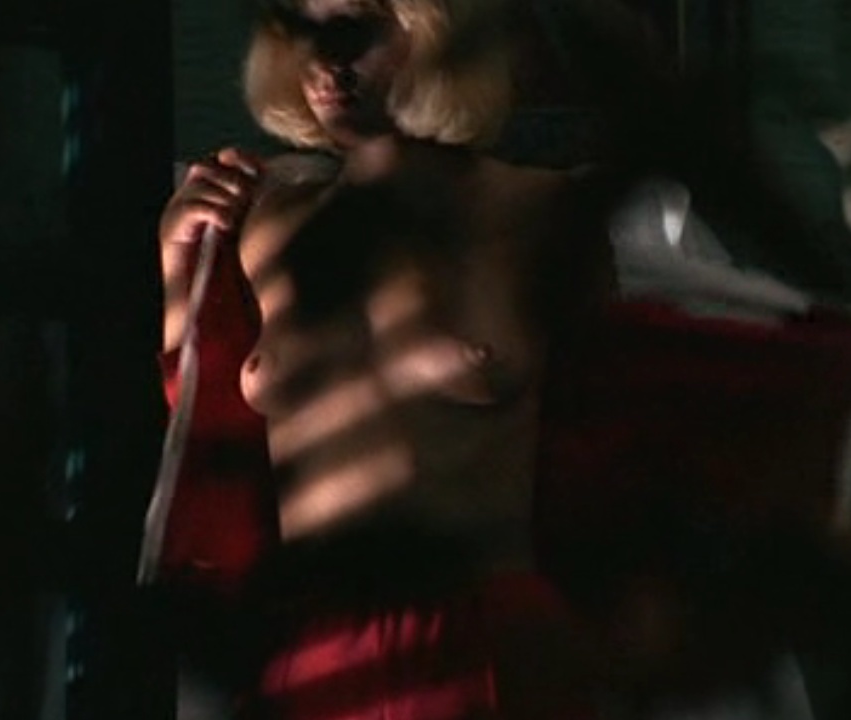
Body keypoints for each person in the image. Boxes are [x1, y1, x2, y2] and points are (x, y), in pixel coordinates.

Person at [155, 0, 612, 717]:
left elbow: (619, 441)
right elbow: (197, 433)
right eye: (304, 31)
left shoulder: (544, 213)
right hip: (309, 652)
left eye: (357, 28)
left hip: (484, 651)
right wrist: (181, 265)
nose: (326, 62)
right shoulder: (268, 219)